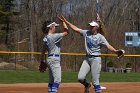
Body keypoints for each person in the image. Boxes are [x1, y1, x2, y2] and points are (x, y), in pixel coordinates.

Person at [59, 15, 119, 93]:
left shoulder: (100, 37)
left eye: (92, 26)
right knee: (80, 78)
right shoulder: (86, 33)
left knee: (95, 82)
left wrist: (115, 51)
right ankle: (87, 85)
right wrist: (66, 22)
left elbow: (108, 46)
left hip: (96, 59)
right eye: (90, 25)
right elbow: (75, 29)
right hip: (87, 59)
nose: (90, 27)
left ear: (96, 27)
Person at [39, 18, 68, 93]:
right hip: (54, 59)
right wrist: (64, 22)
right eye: (54, 26)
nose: (55, 28)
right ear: (50, 27)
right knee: (57, 80)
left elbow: (43, 51)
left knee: (51, 81)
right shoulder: (53, 36)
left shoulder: (45, 38)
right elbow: (66, 32)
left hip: (49, 59)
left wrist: (42, 61)